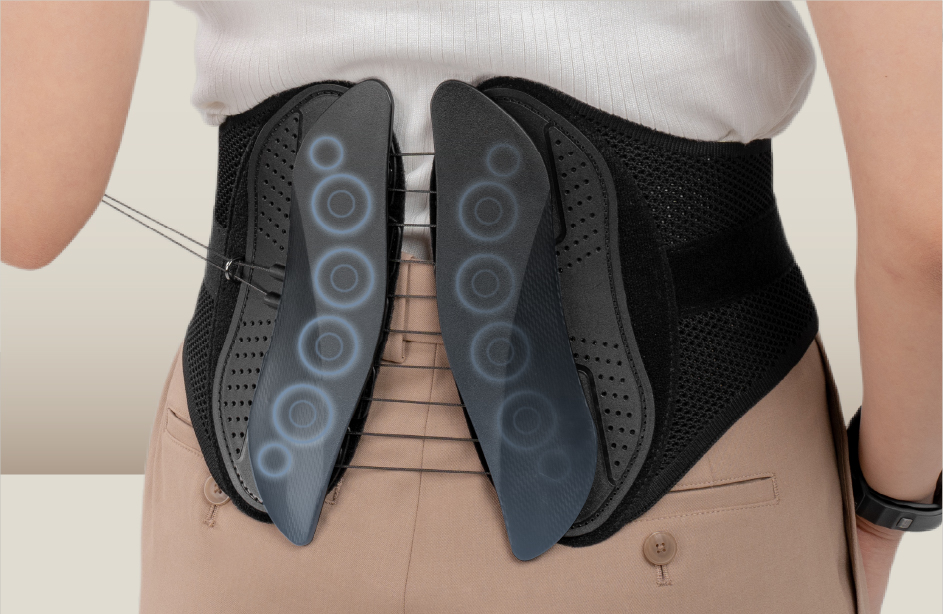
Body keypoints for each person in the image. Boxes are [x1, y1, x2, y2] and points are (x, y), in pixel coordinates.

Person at [2, 2, 939, 613]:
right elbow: (925, 224)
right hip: (686, 474)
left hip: (258, 465)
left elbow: (27, 206)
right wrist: (885, 510)